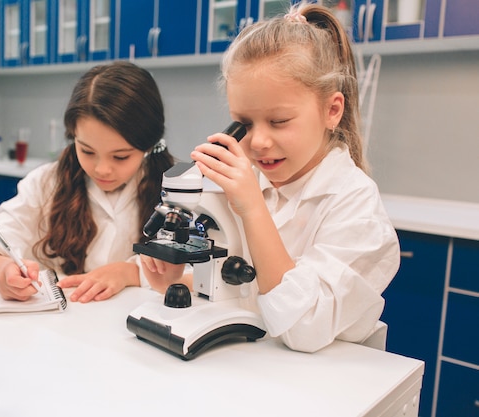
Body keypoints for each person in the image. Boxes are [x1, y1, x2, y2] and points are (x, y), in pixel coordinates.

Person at [140, 3, 400, 353]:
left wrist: (251, 209)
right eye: (244, 124)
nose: (259, 141)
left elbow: (301, 327)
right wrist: (175, 276)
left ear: (331, 110)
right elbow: (243, 294)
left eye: (279, 121)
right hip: (253, 367)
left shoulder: (355, 205)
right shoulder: (248, 181)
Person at [0, 61, 174, 303]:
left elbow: (201, 273)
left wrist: (130, 272)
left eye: (120, 156)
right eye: (87, 151)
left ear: (149, 146)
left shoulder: (177, 193)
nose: (102, 169)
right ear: (73, 136)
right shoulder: (47, 183)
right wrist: (1, 270)